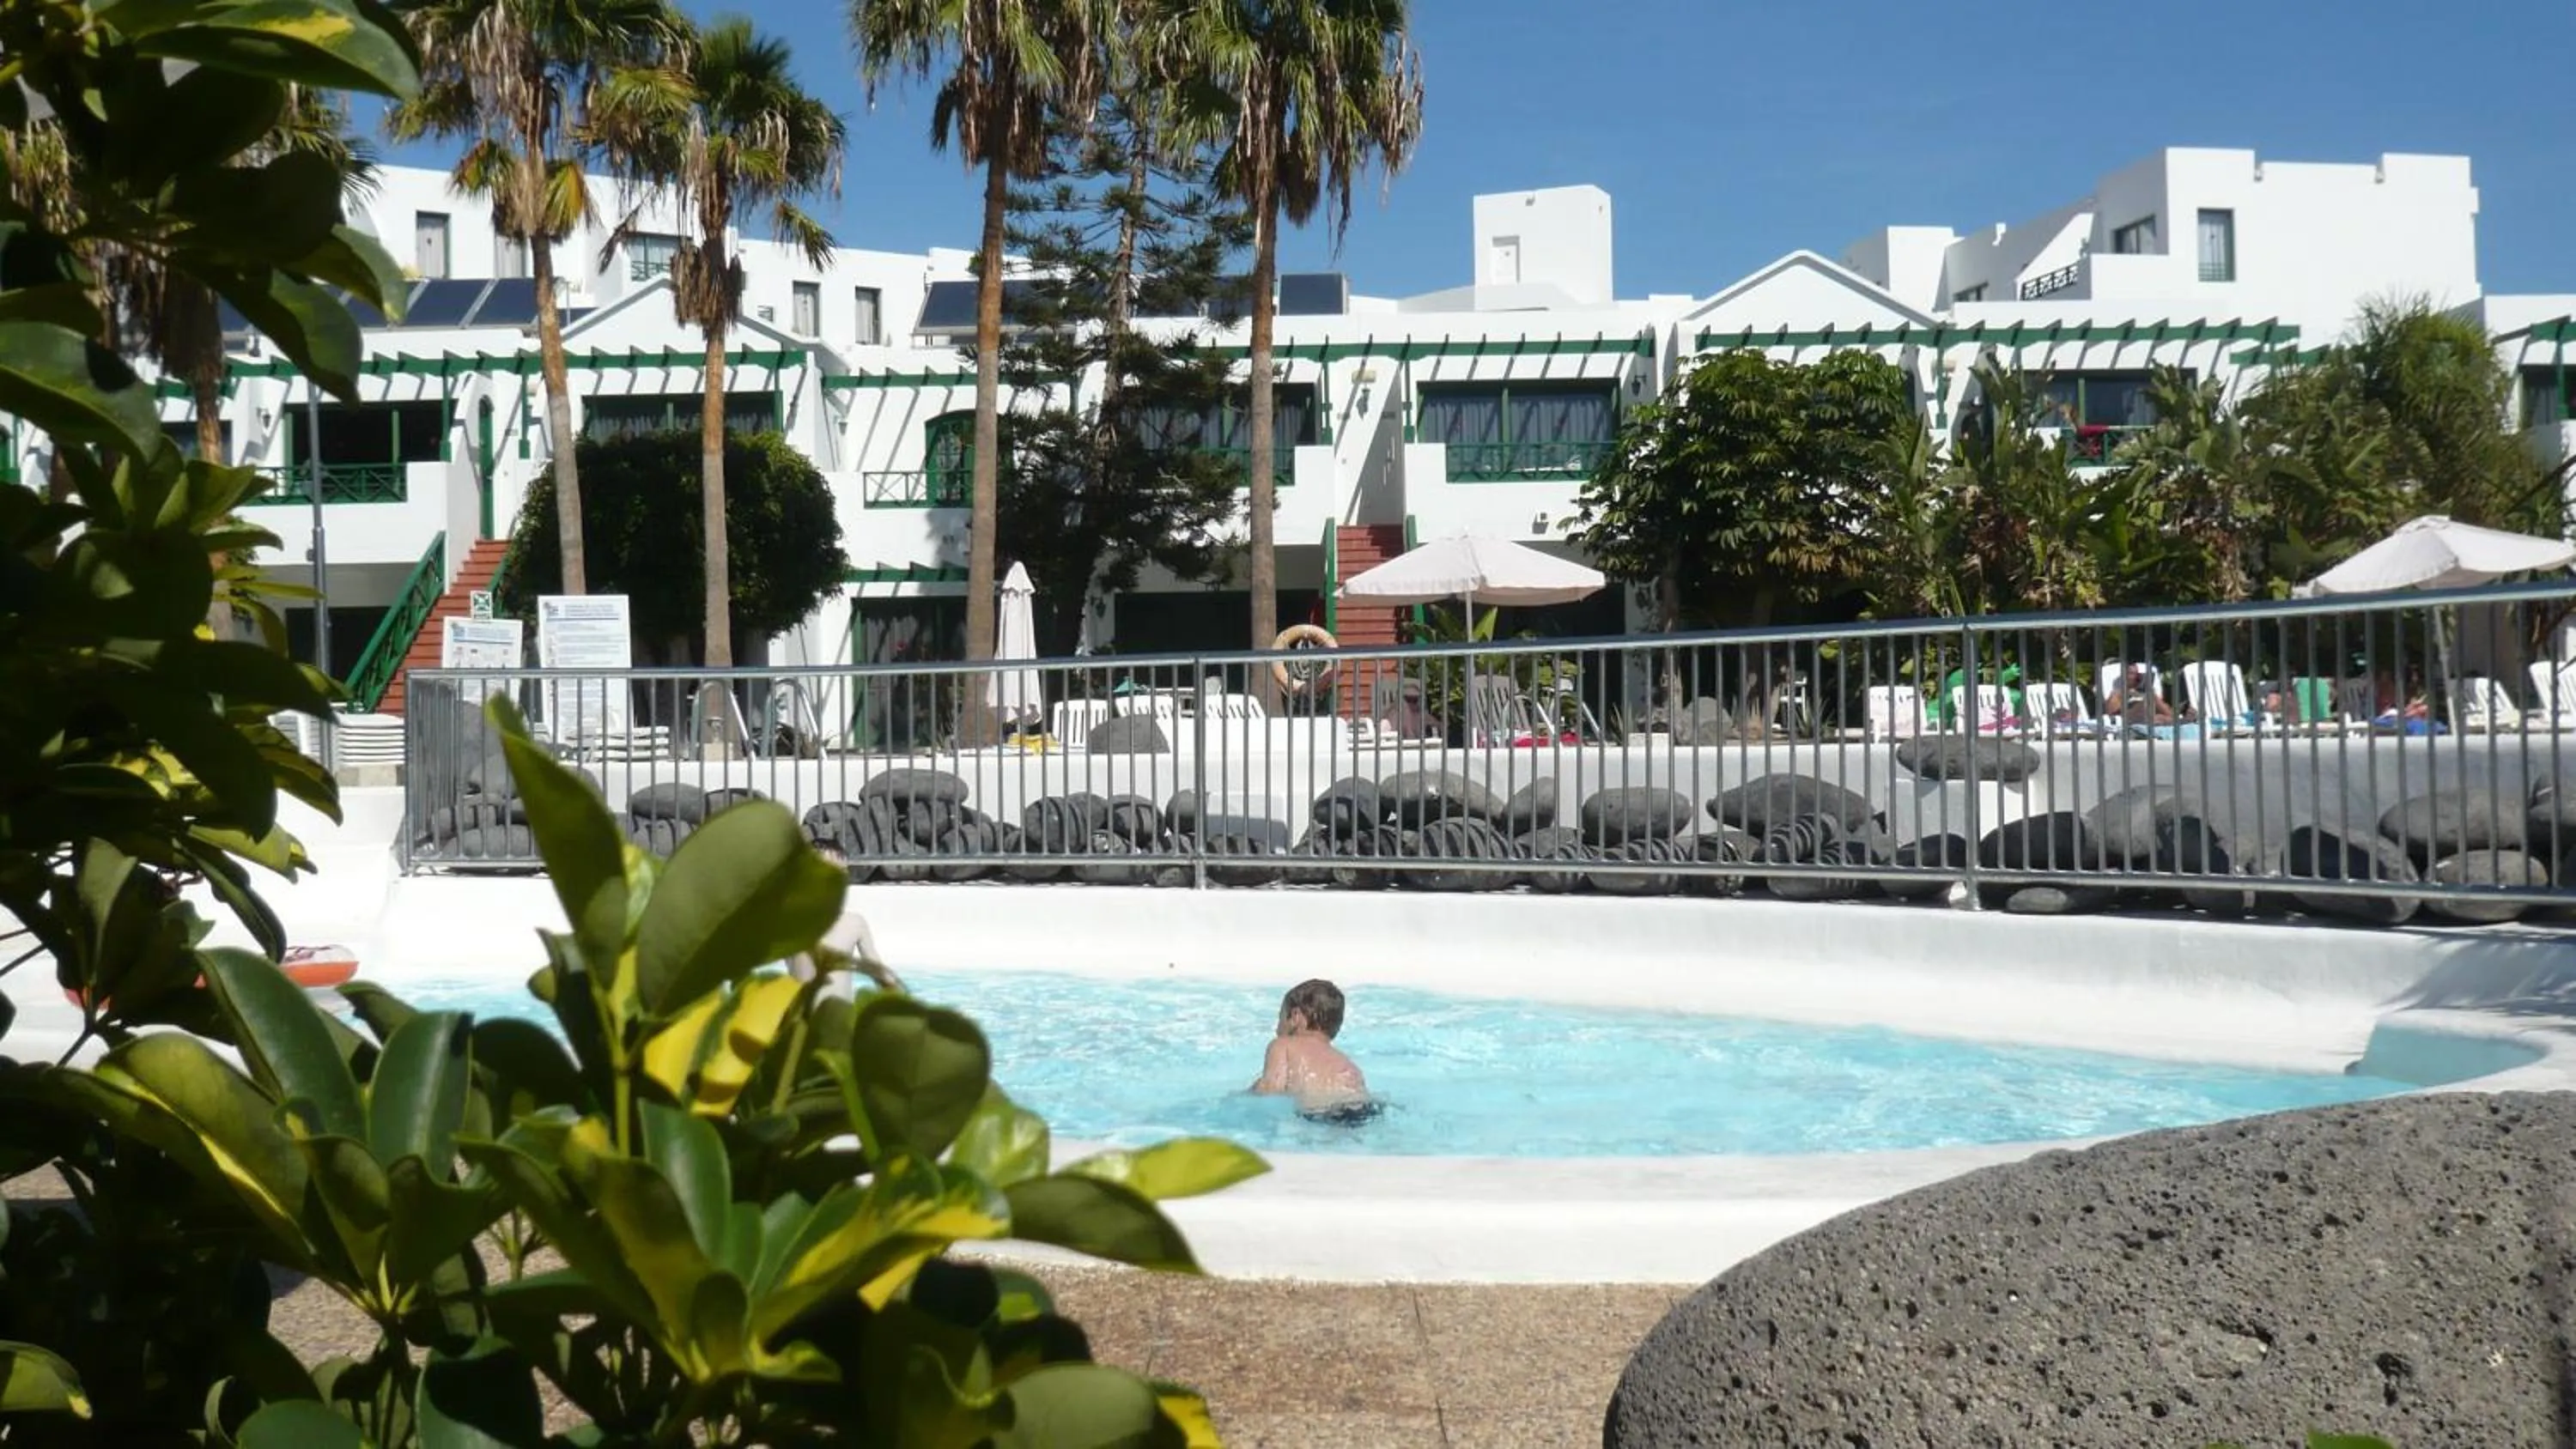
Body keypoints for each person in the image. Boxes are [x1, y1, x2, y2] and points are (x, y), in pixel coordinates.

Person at [1250, 979, 1376, 1125]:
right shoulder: (1345, 1061)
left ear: (1295, 1016)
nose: (1276, 1028)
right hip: (1362, 1111)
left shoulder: (1282, 1045)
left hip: (1317, 1114)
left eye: (1280, 1017)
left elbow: (1271, 1092)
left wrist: (1248, 1094)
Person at [2104, 664, 2175, 728]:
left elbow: (2160, 705)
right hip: (2129, 717)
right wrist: (2127, 694)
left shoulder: (2144, 691)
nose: (2133, 676)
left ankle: (2175, 720)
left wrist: (2145, 693)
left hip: (2148, 717)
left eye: (2135, 674)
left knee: (2161, 716)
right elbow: (2110, 712)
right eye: (2130, 673)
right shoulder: (2118, 692)